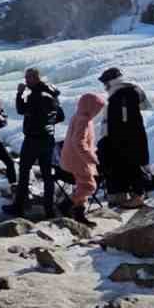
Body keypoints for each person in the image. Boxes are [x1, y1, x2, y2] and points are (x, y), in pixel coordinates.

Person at [6, 69, 65, 218]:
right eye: (25, 78)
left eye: (28, 78)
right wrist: (48, 123)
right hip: (48, 138)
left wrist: (19, 94)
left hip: (33, 139)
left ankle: (18, 206)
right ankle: (49, 209)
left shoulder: (35, 95)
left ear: (35, 78)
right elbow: (61, 116)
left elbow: (21, 110)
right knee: (47, 175)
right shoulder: (52, 93)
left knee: (24, 171)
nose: (25, 81)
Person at [98, 67, 152, 209]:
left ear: (111, 81)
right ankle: (137, 195)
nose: (105, 87)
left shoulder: (121, 95)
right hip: (132, 135)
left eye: (105, 83)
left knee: (132, 165)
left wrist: (114, 139)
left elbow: (123, 119)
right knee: (133, 164)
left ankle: (138, 196)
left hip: (126, 138)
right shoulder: (129, 91)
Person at [59, 93, 105, 226]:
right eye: (97, 108)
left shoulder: (79, 115)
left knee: (82, 186)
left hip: (73, 157)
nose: (98, 112)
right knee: (89, 186)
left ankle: (79, 214)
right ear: (91, 107)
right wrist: (91, 158)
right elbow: (78, 142)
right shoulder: (84, 119)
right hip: (78, 159)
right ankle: (66, 205)